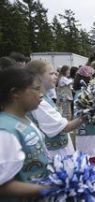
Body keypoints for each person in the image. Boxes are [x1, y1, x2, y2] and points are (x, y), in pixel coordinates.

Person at [0, 68, 49, 200]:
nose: (41, 94)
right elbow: (2, 185)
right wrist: (48, 189)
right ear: (15, 93)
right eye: (36, 89)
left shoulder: (24, 117)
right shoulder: (5, 131)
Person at [26, 60, 84, 159]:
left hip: (59, 150)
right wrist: (87, 115)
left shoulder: (44, 96)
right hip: (56, 154)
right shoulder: (39, 102)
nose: (56, 75)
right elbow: (65, 127)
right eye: (51, 73)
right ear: (37, 77)